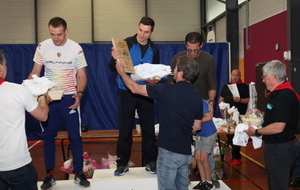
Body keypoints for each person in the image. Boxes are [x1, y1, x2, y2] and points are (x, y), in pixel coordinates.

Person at [116, 54, 203, 190]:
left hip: (169, 153)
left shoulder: (167, 90)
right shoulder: (197, 98)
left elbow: (134, 88)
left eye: (175, 68)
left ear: (180, 73)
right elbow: (197, 126)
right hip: (186, 154)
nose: (173, 70)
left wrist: (121, 72)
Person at [28, 17, 90, 189]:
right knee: (48, 136)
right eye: (52, 34)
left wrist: (79, 94)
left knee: (75, 137)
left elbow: (82, 74)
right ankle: (50, 174)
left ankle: (79, 173)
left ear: (66, 32)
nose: (56, 38)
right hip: (48, 100)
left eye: (59, 34)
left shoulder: (76, 48)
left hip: (69, 98)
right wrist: (37, 91)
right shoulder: (42, 46)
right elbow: (35, 72)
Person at [108, 16, 159, 176]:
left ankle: (151, 162)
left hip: (145, 93)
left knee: (148, 129)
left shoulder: (154, 50)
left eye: (146, 32)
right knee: (125, 129)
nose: (142, 35)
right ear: (137, 27)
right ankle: (122, 163)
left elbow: (156, 73)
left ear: (151, 32)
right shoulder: (126, 43)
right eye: (140, 30)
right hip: (127, 91)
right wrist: (114, 58)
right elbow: (111, 67)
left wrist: (154, 80)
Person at [167, 32, 219, 187]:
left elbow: (212, 83)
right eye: (190, 50)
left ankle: (210, 177)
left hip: (202, 102)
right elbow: (171, 80)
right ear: (185, 45)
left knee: (204, 151)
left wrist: (211, 102)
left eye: (196, 50)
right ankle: (184, 177)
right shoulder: (178, 58)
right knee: (185, 145)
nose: (192, 53)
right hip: (182, 103)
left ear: (201, 45)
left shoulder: (208, 59)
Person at [245, 60, 300, 190]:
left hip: (280, 149)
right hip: (275, 148)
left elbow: (278, 126)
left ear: (273, 77)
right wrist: (262, 114)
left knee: (278, 186)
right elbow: (279, 115)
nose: (263, 80)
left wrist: (256, 132)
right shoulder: (277, 94)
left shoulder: (284, 95)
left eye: (264, 77)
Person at [0, 50, 49, 190]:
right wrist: (42, 99)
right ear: (1, 67)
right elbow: (43, 116)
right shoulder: (17, 91)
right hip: (16, 164)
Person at [219, 69, 249, 165]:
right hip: (228, 116)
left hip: (240, 115)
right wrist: (221, 110)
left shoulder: (244, 87)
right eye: (233, 75)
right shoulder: (226, 86)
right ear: (230, 75)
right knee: (230, 135)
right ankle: (235, 156)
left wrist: (239, 100)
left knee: (236, 135)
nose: (235, 77)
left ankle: (236, 157)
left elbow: (248, 100)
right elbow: (221, 99)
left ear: (240, 76)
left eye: (237, 75)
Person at [193, 100, 217, 190]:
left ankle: (210, 183)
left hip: (209, 133)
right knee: (197, 157)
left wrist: (195, 121)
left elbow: (208, 117)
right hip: (200, 133)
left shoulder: (200, 102)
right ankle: (203, 181)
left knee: (203, 158)